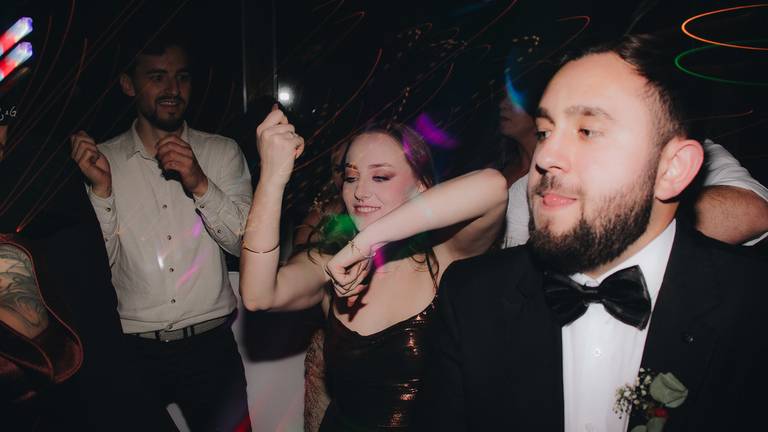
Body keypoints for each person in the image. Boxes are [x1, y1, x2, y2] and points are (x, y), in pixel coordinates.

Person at [420, 34, 766, 431]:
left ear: (672, 169)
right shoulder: (472, 298)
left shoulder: (753, 305)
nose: (545, 156)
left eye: (587, 131)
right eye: (545, 131)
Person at [239, 112, 508, 430]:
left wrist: (366, 242)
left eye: (380, 177)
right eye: (351, 177)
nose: (360, 192)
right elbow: (258, 296)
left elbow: (493, 187)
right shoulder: (329, 263)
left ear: (422, 186)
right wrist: (272, 177)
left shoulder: (445, 254)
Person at [71, 33, 252, 430]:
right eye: (157, 77)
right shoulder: (102, 161)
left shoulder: (221, 152)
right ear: (128, 84)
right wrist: (101, 192)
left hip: (211, 349)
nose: (173, 89)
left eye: (182, 77)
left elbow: (245, 245)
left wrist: (200, 183)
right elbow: (94, 269)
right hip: (132, 352)